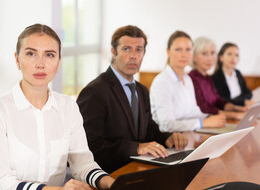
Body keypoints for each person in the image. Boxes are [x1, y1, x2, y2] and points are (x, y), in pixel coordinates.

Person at [0, 24, 114, 190]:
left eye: (49, 54)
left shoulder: (68, 107)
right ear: (17, 60)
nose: (40, 63)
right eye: (30, 53)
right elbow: (4, 185)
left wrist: (110, 183)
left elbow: (82, 163)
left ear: (58, 61)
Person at [77, 25, 188, 173]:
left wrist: (167, 137)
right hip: (108, 174)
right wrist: (136, 148)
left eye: (139, 50)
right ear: (113, 51)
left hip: (137, 169)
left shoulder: (141, 90)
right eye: (126, 49)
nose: (133, 56)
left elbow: (148, 129)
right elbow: (90, 145)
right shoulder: (95, 91)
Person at [149, 31, 226, 132]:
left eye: (188, 50)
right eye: (178, 50)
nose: (184, 55)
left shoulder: (187, 79)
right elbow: (166, 125)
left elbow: (193, 112)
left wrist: (210, 117)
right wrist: (204, 122)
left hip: (187, 135)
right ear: (168, 52)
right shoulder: (162, 82)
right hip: (168, 141)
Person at [189, 37, 247, 120]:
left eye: (212, 53)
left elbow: (218, 101)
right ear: (194, 57)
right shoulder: (192, 78)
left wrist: (237, 108)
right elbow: (204, 109)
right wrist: (234, 115)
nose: (210, 58)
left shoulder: (207, 78)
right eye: (204, 54)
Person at [211, 42, 253, 106]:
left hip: (242, 108)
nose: (233, 58)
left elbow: (248, 93)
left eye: (236, 55)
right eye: (229, 54)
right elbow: (222, 100)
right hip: (227, 112)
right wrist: (243, 102)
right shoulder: (215, 77)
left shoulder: (238, 73)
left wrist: (240, 101)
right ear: (221, 57)